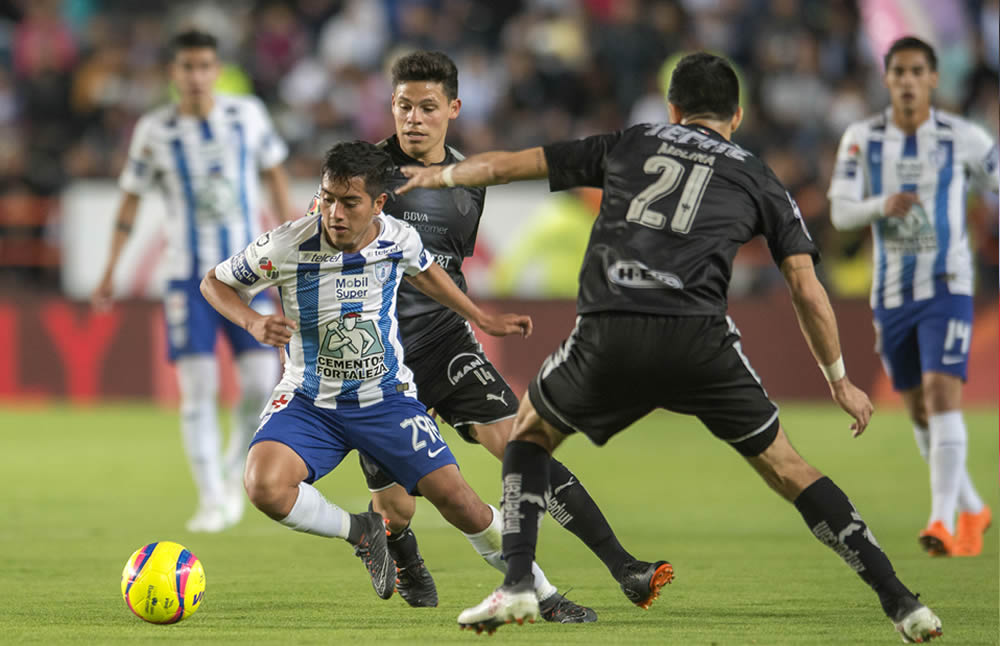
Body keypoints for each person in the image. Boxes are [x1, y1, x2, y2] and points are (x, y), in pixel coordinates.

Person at [397, 53, 943, 643]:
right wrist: (838, 378)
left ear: (673, 110)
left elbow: (517, 165)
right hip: (701, 340)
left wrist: (445, 175)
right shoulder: (760, 176)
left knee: (527, 436)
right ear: (736, 115)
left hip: (611, 329)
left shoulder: (633, 142)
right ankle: (901, 602)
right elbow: (807, 288)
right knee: (788, 467)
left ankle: (521, 582)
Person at [199, 139, 583, 608]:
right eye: (328, 198)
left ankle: (543, 595)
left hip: (385, 399)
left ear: (378, 203)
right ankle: (360, 531)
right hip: (309, 400)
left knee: (459, 501)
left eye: (349, 202)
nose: (334, 213)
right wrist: (253, 320)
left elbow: (425, 271)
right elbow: (214, 281)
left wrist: (478, 317)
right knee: (264, 486)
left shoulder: (397, 237)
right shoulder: (286, 243)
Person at [356, 50, 659, 621]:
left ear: (453, 108)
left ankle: (625, 568)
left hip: (446, 345)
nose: (413, 118)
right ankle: (402, 551)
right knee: (397, 508)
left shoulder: (470, 180)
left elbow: (446, 263)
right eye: (403, 106)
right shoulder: (364, 173)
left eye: (427, 107)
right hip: (378, 363)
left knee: (525, 444)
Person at [92, 30, 297, 533]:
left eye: (206, 65)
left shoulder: (246, 114)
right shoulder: (154, 130)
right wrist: (110, 270)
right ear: (173, 73)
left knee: (258, 383)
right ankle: (210, 498)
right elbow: (131, 201)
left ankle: (231, 477)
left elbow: (274, 173)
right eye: (188, 67)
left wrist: (295, 241)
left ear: (217, 68)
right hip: (188, 277)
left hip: (249, 272)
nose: (198, 76)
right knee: (199, 386)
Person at [829, 36, 996, 558]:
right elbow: (839, 212)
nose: (906, 81)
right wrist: (883, 204)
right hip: (891, 294)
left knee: (943, 395)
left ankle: (942, 521)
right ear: (887, 79)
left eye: (916, 71)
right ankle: (971, 506)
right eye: (897, 71)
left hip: (948, 285)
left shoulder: (962, 138)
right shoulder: (862, 138)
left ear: (933, 78)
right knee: (920, 412)